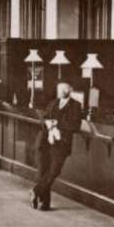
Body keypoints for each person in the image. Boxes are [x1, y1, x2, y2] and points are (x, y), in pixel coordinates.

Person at [32, 81, 82, 211]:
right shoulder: (53, 103)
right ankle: (45, 203)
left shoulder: (76, 105)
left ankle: (36, 191)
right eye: (58, 89)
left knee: (54, 170)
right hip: (45, 141)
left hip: (61, 143)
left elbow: (75, 125)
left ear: (69, 90)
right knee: (43, 171)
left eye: (62, 89)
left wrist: (57, 124)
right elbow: (44, 118)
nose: (59, 91)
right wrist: (47, 122)